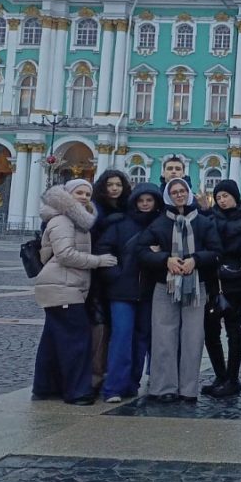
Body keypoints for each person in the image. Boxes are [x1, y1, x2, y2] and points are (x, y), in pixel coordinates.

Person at [32, 180, 117, 405]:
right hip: (63, 287)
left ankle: (45, 386)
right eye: (78, 192)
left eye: (87, 193)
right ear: (68, 194)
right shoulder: (62, 219)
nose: (83, 196)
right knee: (77, 340)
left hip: (63, 286)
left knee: (52, 339)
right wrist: (98, 261)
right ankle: (77, 391)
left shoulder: (76, 220)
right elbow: (65, 254)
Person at [137, 178, 222, 403]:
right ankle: (164, 386)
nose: (179, 194)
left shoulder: (203, 222)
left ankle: (188, 389)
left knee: (193, 337)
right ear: (168, 196)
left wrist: (196, 259)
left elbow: (216, 251)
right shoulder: (158, 223)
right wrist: (166, 259)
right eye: (174, 191)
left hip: (196, 285)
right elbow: (141, 251)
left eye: (183, 190)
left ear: (189, 193)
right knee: (164, 336)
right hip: (165, 284)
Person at [96, 183, 163, 403]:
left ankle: (132, 384)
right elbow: (104, 248)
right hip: (122, 291)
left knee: (141, 339)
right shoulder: (120, 224)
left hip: (148, 291)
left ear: (155, 202)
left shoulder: (160, 225)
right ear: (134, 201)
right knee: (121, 338)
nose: (145, 204)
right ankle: (113, 387)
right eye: (141, 200)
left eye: (149, 200)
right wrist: (115, 274)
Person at [202, 180, 241, 398]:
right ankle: (220, 374)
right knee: (210, 329)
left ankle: (233, 378)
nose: (222, 200)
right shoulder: (209, 219)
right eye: (218, 197)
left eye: (225, 195)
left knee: (234, 329)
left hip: (236, 280)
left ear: (235, 196)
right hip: (213, 279)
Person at [89, 169, 132, 393]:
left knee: (118, 330)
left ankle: (111, 375)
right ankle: (95, 376)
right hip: (97, 273)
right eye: (110, 185)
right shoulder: (94, 209)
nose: (114, 188)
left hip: (118, 276)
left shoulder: (127, 208)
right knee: (99, 326)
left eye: (118, 185)